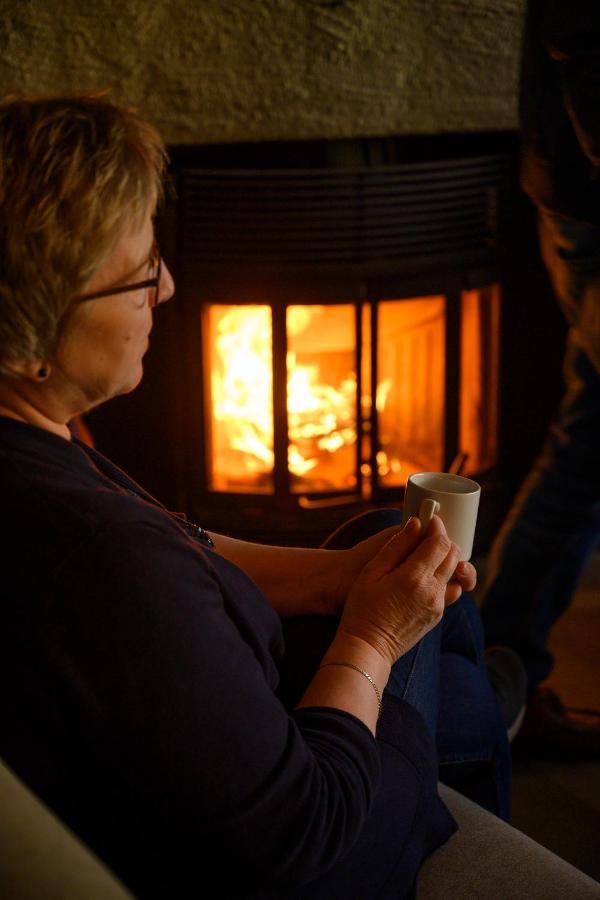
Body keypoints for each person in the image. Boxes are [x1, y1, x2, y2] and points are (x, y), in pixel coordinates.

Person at [0, 94, 515, 899]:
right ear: (30, 344)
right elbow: (307, 837)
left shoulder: (34, 444)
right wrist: (374, 635)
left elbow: (172, 538)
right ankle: (478, 727)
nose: (167, 287)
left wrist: (333, 579)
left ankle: (476, 702)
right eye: (138, 277)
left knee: (394, 537)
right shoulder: (97, 562)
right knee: (453, 663)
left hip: (206, 718)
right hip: (311, 847)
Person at [480, 0, 600, 756]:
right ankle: (493, 681)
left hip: (578, 186)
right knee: (589, 450)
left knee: (589, 445)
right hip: (590, 193)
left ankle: (495, 676)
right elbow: (580, 33)